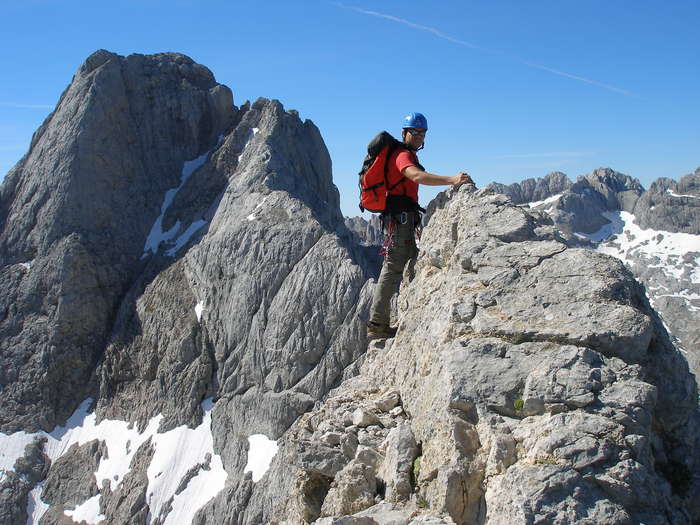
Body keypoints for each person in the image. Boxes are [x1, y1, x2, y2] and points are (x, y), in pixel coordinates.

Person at [367, 112, 473, 339]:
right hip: (400, 220)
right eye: (413, 132)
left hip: (404, 218)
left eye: (422, 133)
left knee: (410, 262)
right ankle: (377, 325)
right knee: (392, 268)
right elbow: (415, 176)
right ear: (404, 133)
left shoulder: (404, 153)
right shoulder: (402, 155)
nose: (418, 136)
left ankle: (402, 312)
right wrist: (450, 180)